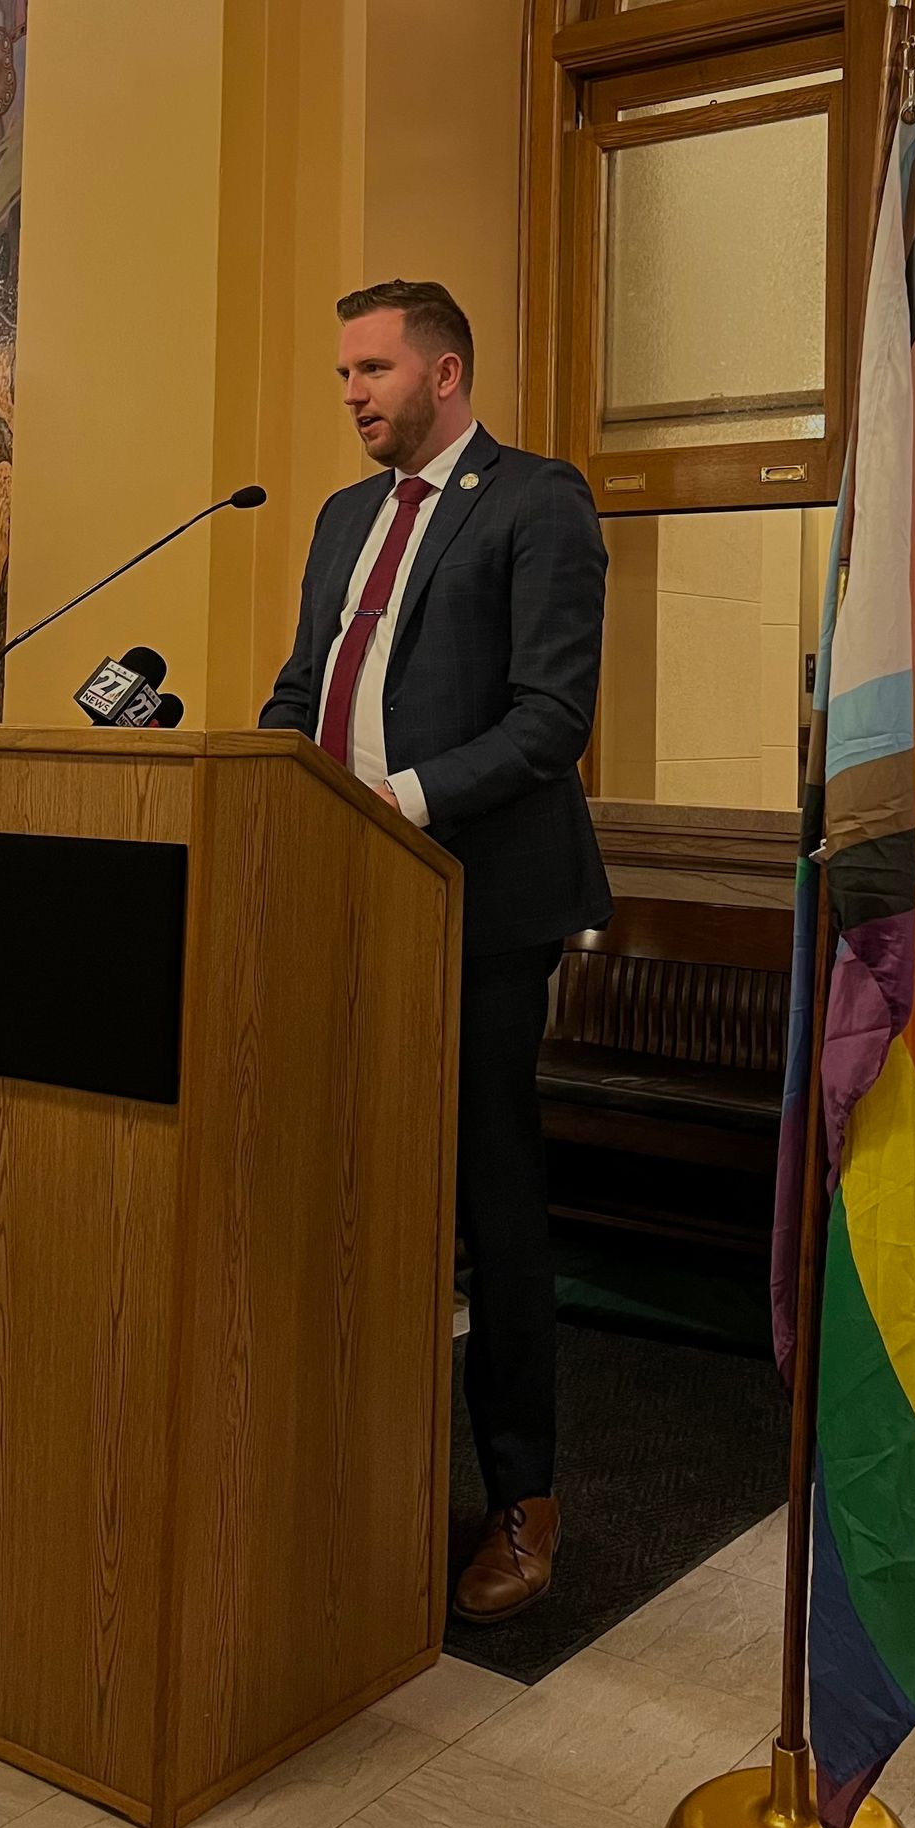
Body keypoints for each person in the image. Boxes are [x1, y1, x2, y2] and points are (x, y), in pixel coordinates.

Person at [261, 278, 610, 1622]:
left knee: (488, 1202)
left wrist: (396, 797)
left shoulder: (537, 503)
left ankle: (522, 1497)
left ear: (445, 373)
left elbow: (548, 720)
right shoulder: (345, 519)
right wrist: (262, 773)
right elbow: (309, 692)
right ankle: (352, 1464)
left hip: (477, 905)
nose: (349, 392)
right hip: (341, 896)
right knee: (346, 1183)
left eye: (370, 370)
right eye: (342, 372)